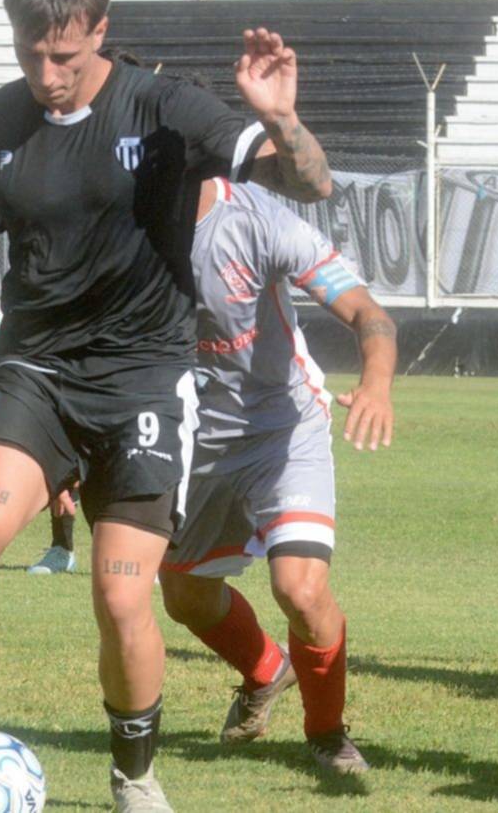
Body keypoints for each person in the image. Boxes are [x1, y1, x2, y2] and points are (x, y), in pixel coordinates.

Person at [0, 0, 332, 811]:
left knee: (122, 593)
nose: (46, 74)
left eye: (62, 55)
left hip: (146, 382)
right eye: (30, 54)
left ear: (99, 30)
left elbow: (310, 182)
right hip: (36, 369)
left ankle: (134, 777)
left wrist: (281, 118)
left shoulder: (166, 107)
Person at [153, 176, 395, 776]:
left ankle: (327, 734)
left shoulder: (260, 220)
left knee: (301, 588)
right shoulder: (120, 224)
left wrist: (377, 383)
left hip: (283, 429)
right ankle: (266, 670)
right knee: (184, 596)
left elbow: (368, 311)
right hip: (192, 438)